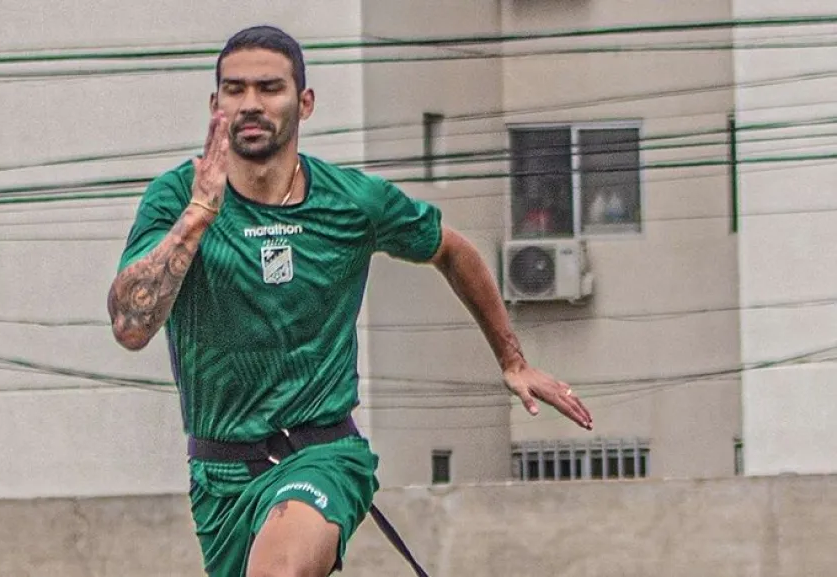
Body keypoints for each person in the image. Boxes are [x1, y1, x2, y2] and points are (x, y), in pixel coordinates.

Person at [107, 24, 593, 577]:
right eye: (234, 90)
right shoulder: (175, 198)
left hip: (322, 455)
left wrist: (513, 360)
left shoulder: (352, 202)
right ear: (215, 104)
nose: (250, 104)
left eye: (269, 88)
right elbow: (131, 326)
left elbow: (453, 251)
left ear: (304, 103)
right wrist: (198, 216)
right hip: (220, 476)